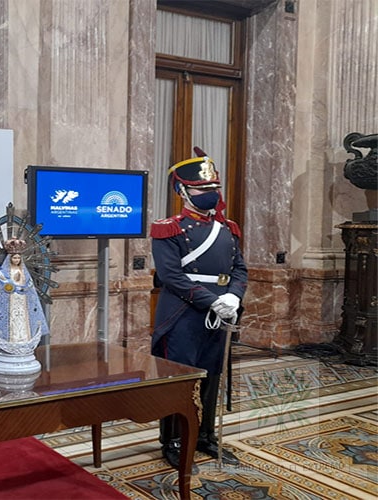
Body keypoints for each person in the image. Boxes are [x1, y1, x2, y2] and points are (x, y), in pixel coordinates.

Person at [150, 153, 247, 470]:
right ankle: (174, 440)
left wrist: (232, 297)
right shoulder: (168, 230)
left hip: (221, 313)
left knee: (211, 376)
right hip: (182, 314)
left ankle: (204, 436)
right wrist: (211, 300)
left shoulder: (228, 229)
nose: (211, 193)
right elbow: (170, 276)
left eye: (214, 187)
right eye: (201, 188)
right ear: (182, 192)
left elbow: (240, 270)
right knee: (179, 380)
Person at [0, 239, 49, 345]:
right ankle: (9, 337)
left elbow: (28, 285)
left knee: (22, 320)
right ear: (10, 258)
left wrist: (24, 288)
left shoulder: (23, 270)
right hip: (10, 300)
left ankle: (23, 337)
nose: (17, 260)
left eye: (19, 258)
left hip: (22, 300)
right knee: (11, 318)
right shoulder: (4, 272)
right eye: (15, 257)